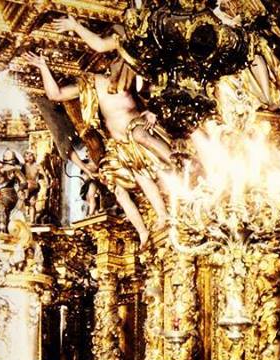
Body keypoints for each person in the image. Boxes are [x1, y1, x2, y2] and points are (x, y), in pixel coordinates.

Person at [23, 51, 172, 245]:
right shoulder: (94, 83)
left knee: (141, 144)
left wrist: (150, 111)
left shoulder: (130, 76)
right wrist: (43, 67)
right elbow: (55, 94)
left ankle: (177, 163)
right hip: (117, 145)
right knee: (119, 190)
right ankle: (143, 232)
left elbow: (154, 91)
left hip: (135, 129)